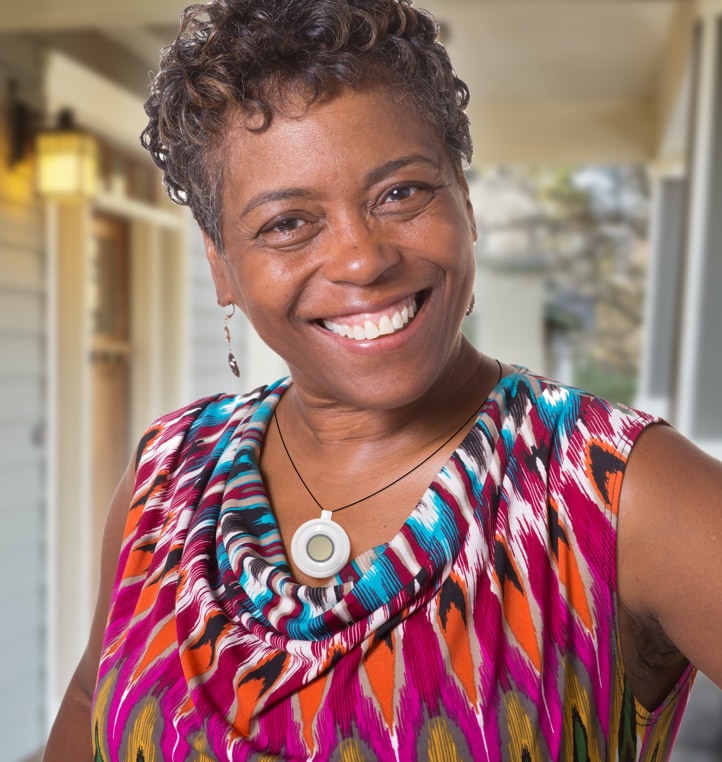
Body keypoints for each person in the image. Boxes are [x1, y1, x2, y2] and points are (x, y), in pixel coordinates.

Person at [43, 0, 722, 760]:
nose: (363, 260)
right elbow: (89, 699)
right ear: (221, 264)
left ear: (465, 202)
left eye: (400, 193)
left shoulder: (616, 491)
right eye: (287, 223)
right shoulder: (166, 477)